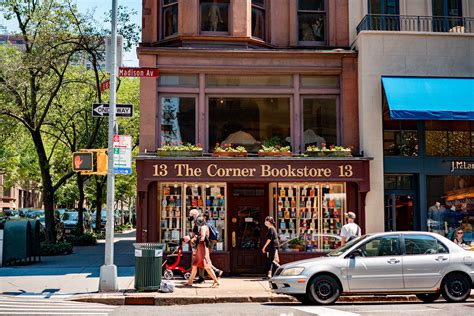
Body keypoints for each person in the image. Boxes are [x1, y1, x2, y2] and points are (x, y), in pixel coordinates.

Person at [186, 216, 220, 288]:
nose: (197, 224)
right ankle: (190, 282)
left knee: (207, 266)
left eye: (197, 222)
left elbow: (203, 237)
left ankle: (216, 281)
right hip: (201, 248)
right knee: (195, 265)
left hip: (202, 248)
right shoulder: (205, 227)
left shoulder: (202, 228)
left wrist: (195, 240)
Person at [183, 209, 205, 284]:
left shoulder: (199, 220)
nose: (191, 217)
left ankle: (200, 278)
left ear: (194, 215)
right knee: (200, 261)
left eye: (191, 215)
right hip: (199, 243)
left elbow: (201, 233)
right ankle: (196, 278)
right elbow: (195, 232)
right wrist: (190, 236)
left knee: (201, 261)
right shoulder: (197, 220)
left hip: (201, 243)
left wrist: (193, 238)